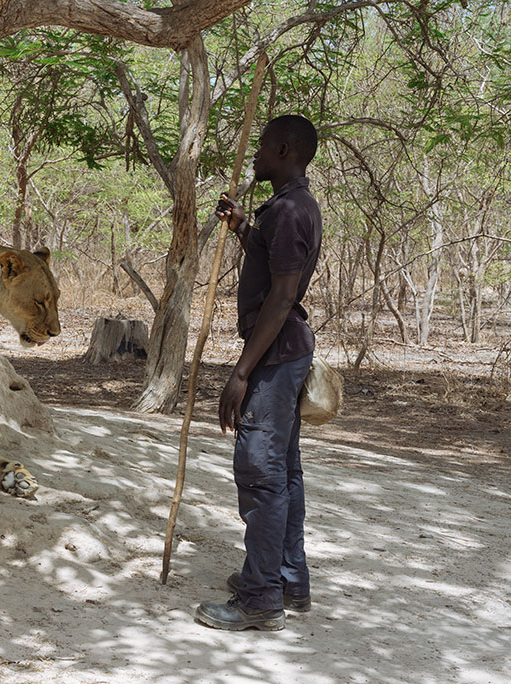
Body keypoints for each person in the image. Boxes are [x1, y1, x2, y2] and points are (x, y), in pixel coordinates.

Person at [194, 114, 322, 631]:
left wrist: (241, 372)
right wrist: (244, 226)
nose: (256, 155)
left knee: (260, 471)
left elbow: (284, 295)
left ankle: (262, 599)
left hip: (275, 354)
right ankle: (288, 578)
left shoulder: (292, 210)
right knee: (283, 471)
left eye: (264, 147)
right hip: (283, 351)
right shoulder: (287, 207)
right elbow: (272, 262)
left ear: (286, 149)